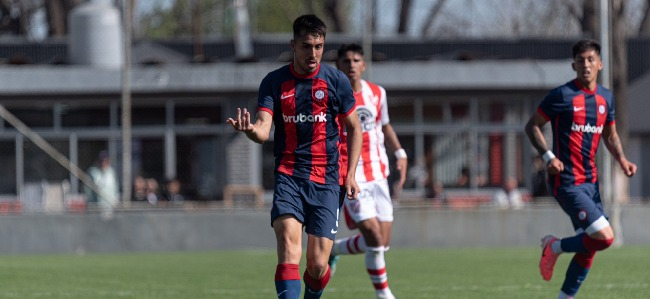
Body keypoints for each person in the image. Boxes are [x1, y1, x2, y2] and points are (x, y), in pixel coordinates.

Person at [226, 14, 362, 299]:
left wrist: (350, 175)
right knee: (289, 245)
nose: (313, 53)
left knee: (316, 264)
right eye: (306, 46)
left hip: (326, 180)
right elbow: (263, 129)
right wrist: (250, 131)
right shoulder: (274, 82)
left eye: (318, 46)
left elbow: (355, 129)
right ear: (293, 45)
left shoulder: (336, 81)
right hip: (289, 175)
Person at [524, 39, 637, 299]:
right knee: (605, 237)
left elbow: (610, 136)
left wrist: (622, 161)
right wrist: (549, 156)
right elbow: (532, 125)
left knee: (590, 247)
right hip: (566, 181)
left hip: (590, 183)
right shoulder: (562, 95)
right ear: (573, 65)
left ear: (600, 64)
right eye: (580, 60)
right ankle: (554, 246)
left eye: (590, 59)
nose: (585, 65)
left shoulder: (606, 98)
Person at [328, 43, 408, 299]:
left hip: (379, 175)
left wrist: (400, 153)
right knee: (372, 234)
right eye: (346, 61)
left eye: (356, 60)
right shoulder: (331, 96)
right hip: (352, 176)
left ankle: (335, 250)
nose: (351, 65)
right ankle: (384, 295)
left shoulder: (377, 93)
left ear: (363, 65)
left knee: (381, 243)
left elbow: (385, 126)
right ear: (338, 66)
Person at [84, 150, 119, 218]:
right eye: (102, 160)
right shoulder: (92, 172)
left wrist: (116, 200)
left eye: (106, 160)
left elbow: (115, 188)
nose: (104, 163)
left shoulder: (111, 172)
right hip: (97, 208)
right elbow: (88, 191)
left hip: (110, 208)